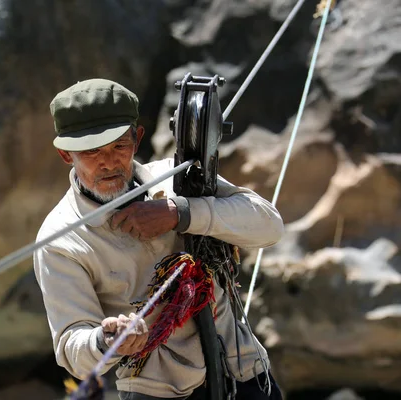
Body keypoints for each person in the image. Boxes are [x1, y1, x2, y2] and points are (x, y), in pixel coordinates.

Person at [34, 78, 285, 400]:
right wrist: (107, 340)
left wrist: (182, 213)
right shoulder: (61, 241)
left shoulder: (180, 178)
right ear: (66, 155)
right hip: (156, 391)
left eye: (119, 146)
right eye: (91, 152)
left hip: (245, 373)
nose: (108, 162)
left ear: (137, 139)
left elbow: (269, 226)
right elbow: (72, 351)